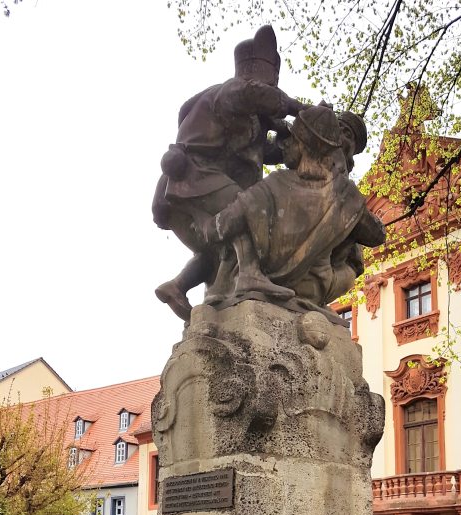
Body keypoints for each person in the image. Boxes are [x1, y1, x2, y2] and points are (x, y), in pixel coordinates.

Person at [152, 25, 307, 319]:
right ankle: (250, 275)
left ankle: (177, 286)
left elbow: (264, 152)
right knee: (248, 206)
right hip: (195, 176)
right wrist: (300, 109)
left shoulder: (246, 119)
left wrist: (286, 139)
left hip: (180, 195)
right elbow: (256, 95)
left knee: (217, 252)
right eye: (272, 78)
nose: (274, 84)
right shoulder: (232, 91)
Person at [208, 105, 385, 309]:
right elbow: (377, 236)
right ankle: (239, 279)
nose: (285, 144)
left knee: (243, 211)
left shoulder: (273, 186)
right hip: (315, 286)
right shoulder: (347, 196)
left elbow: (218, 227)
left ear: (302, 144)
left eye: (292, 138)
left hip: (294, 281)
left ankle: (239, 277)